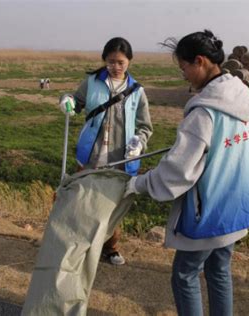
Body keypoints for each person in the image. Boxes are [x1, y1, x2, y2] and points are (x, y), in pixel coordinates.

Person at [125, 30, 249, 315]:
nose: (184, 76)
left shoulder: (202, 113)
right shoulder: (241, 93)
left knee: (185, 275)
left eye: (184, 68)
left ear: (201, 61)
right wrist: (230, 152)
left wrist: (139, 184)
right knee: (219, 269)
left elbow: (177, 173)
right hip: (237, 205)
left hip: (209, 210)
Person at [58, 37, 153, 265]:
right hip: (91, 155)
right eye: (111, 62)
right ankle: (80, 246)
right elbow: (76, 102)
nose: (115, 67)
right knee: (83, 201)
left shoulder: (136, 91)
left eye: (120, 62)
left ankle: (110, 247)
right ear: (104, 60)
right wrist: (66, 101)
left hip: (120, 159)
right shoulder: (91, 83)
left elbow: (145, 126)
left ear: (129, 61)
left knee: (112, 206)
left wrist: (139, 142)